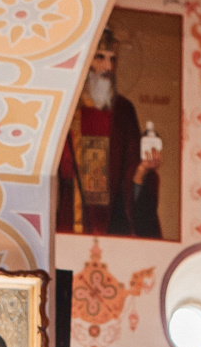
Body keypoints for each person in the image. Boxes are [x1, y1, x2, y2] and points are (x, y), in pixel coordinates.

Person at [55, 28, 161, 238]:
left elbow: (130, 170)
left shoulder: (123, 110)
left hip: (113, 218)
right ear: (86, 62)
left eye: (113, 60)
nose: (108, 67)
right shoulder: (67, 107)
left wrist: (141, 171)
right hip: (71, 214)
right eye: (100, 58)